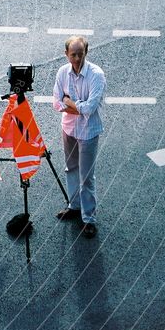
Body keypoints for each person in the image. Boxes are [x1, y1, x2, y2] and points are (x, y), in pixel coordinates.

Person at [52, 36, 106, 238]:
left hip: (88, 133)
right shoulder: (62, 72)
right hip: (69, 129)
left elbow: (90, 109)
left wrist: (70, 103)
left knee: (87, 177)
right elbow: (57, 103)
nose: (76, 58)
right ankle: (74, 206)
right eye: (73, 54)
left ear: (86, 52)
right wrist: (77, 107)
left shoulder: (96, 75)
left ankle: (89, 218)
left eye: (80, 54)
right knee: (71, 168)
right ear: (66, 54)